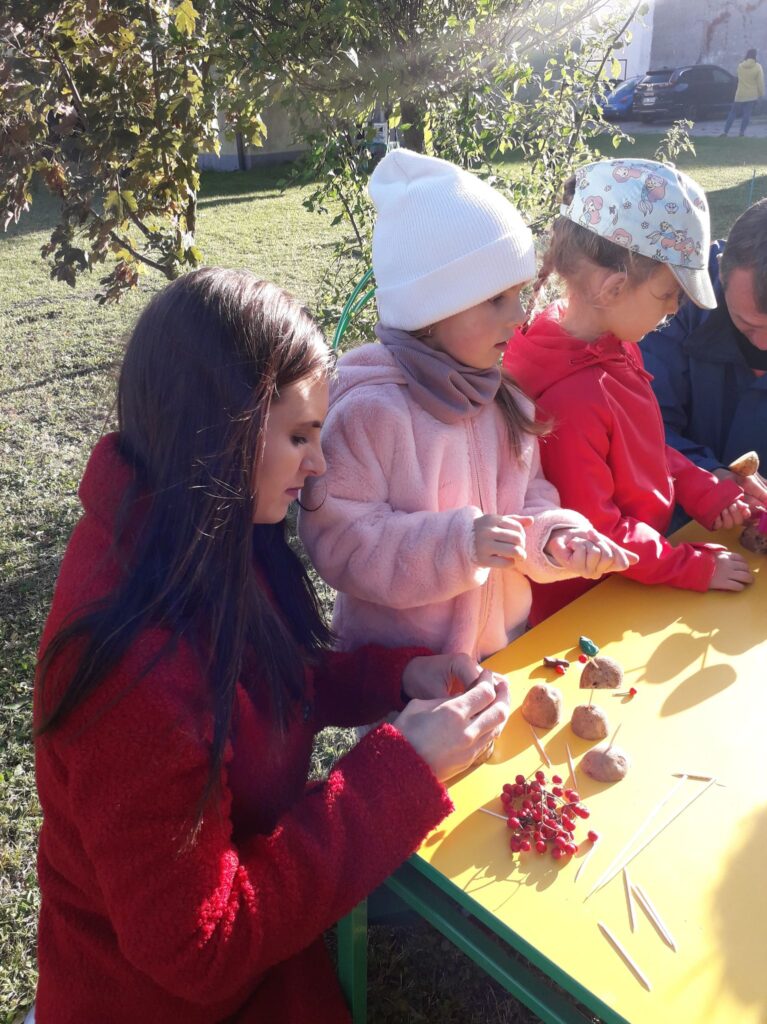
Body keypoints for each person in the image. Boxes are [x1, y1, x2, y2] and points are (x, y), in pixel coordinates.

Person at [31, 268, 513, 1024]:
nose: (317, 466)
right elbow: (201, 945)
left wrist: (394, 674)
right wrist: (402, 772)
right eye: (298, 437)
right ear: (215, 432)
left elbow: (269, 680)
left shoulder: (203, 533)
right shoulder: (131, 666)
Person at [299, 148, 636, 662]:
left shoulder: (504, 399)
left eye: (520, 295)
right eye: (496, 299)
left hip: (502, 645)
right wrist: (458, 544)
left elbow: (531, 503)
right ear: (432, 310)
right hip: (406, 674)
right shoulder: (371, 413)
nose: (520, 317)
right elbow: (340, 541)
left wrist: (558, 539)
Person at [503, 158, 753, 627]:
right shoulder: (568, 400)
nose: (676, 310)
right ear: (613, 287)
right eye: (668, 294)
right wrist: (690, 565)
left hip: (636, 576)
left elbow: (640, 448)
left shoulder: (610, 343)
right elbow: (602, 533)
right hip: (587, 607)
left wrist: (702, 485)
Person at [640, 197, 767, 522]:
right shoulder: (675, 300)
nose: (764, 346)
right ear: (721, 274)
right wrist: (707, 473)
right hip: (675, 520)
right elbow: (646, 425)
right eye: (749, 324)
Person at [721, 49, 765, 137]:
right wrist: (761, 94)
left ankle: (725, 132)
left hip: (740, 94)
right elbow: (760, 82)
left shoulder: (740, 66)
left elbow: (737, 77)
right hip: (752, 95)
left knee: (732, 113)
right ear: (755, 56)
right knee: (747, 114)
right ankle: (741, 132)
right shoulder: (758, 67)